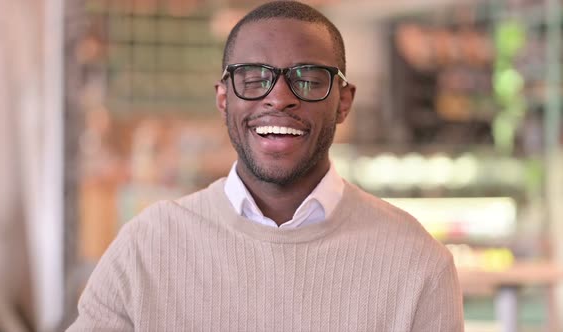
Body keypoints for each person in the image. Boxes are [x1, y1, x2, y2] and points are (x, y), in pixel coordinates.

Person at [67, 1, 464, 331]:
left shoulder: (417, 264)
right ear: (224, 99)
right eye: (253, 78)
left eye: (307, 79)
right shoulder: (148, 247)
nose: (278, 98)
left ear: (343, 101)